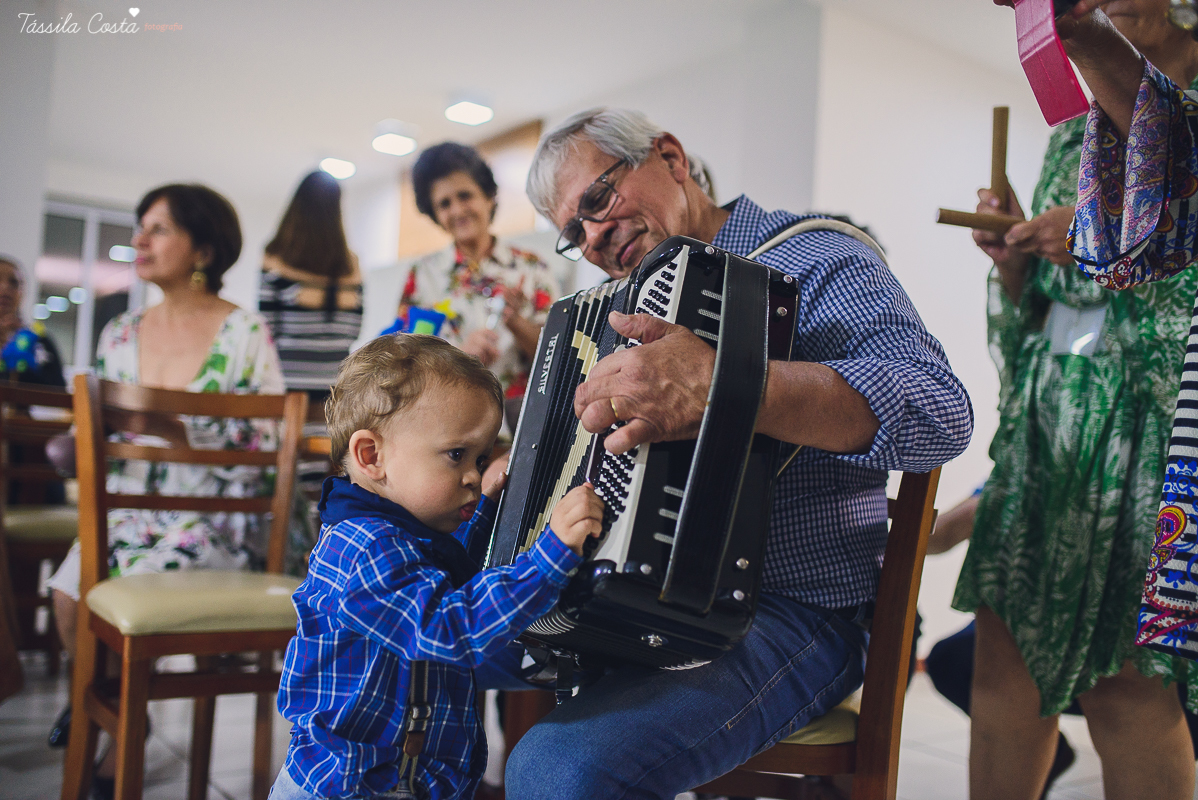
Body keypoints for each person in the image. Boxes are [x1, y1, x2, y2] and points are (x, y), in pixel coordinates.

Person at [489, 107, 973, 800]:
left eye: (599, 199)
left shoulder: (817, 256)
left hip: (792, 610)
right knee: (410, 642)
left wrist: (729, 386)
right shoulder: (610, 312)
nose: (594, 235)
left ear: (672, 158)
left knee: (556, 770)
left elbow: (939, 410)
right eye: (574, 232)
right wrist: (531, 478)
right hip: (630, 599)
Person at [966, 3, 1198, 799]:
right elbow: (1038, 314)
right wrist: (1012, 258)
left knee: (1128, 679)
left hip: (1154, 423)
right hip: (1052, 414)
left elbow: (1172, 269)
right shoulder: (1071, 128)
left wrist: (1101, 237)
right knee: (1004, 656)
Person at [270, 333, 603, 800]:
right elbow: (446, 625)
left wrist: (486, 503)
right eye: (456, 455)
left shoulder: (405, 532)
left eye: (481, 457)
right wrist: (551, 555)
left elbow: (450, 568)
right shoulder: (362, 546)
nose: (472, 473)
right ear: (372, 457)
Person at [43, 184, 285, 794]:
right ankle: (124, 713)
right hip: (123, 514)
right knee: (68, 590)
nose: (140, 241)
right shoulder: (119, 333)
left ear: (202, 248)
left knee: (120, 589)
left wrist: (175, 426)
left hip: (214, 518)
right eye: (139, 227)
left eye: (159, 229)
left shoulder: (245, 332)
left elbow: (264, 455)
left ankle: (111, 729)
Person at [397, 142, 559, 416]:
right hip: (443, 418)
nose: (458, 210)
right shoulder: (422, 275)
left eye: (465, 196)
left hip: (516, 422)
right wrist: (458, 356)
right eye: (445, 204)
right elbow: (405, 359)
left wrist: (516, 321)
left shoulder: (531, 268)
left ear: (489, 197)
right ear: (435, 214)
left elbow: (556, 357)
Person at [260, 170, 363, 401]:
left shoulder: (274, 259)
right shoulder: (352, 266)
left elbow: (267, 331)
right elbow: (354, 331)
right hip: (338, 394)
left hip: (286, 393)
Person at [0, 256, 65, 386]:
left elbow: (58, 392)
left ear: (22, 292)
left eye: (14, 283)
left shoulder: (40, 341)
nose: (5, 288)